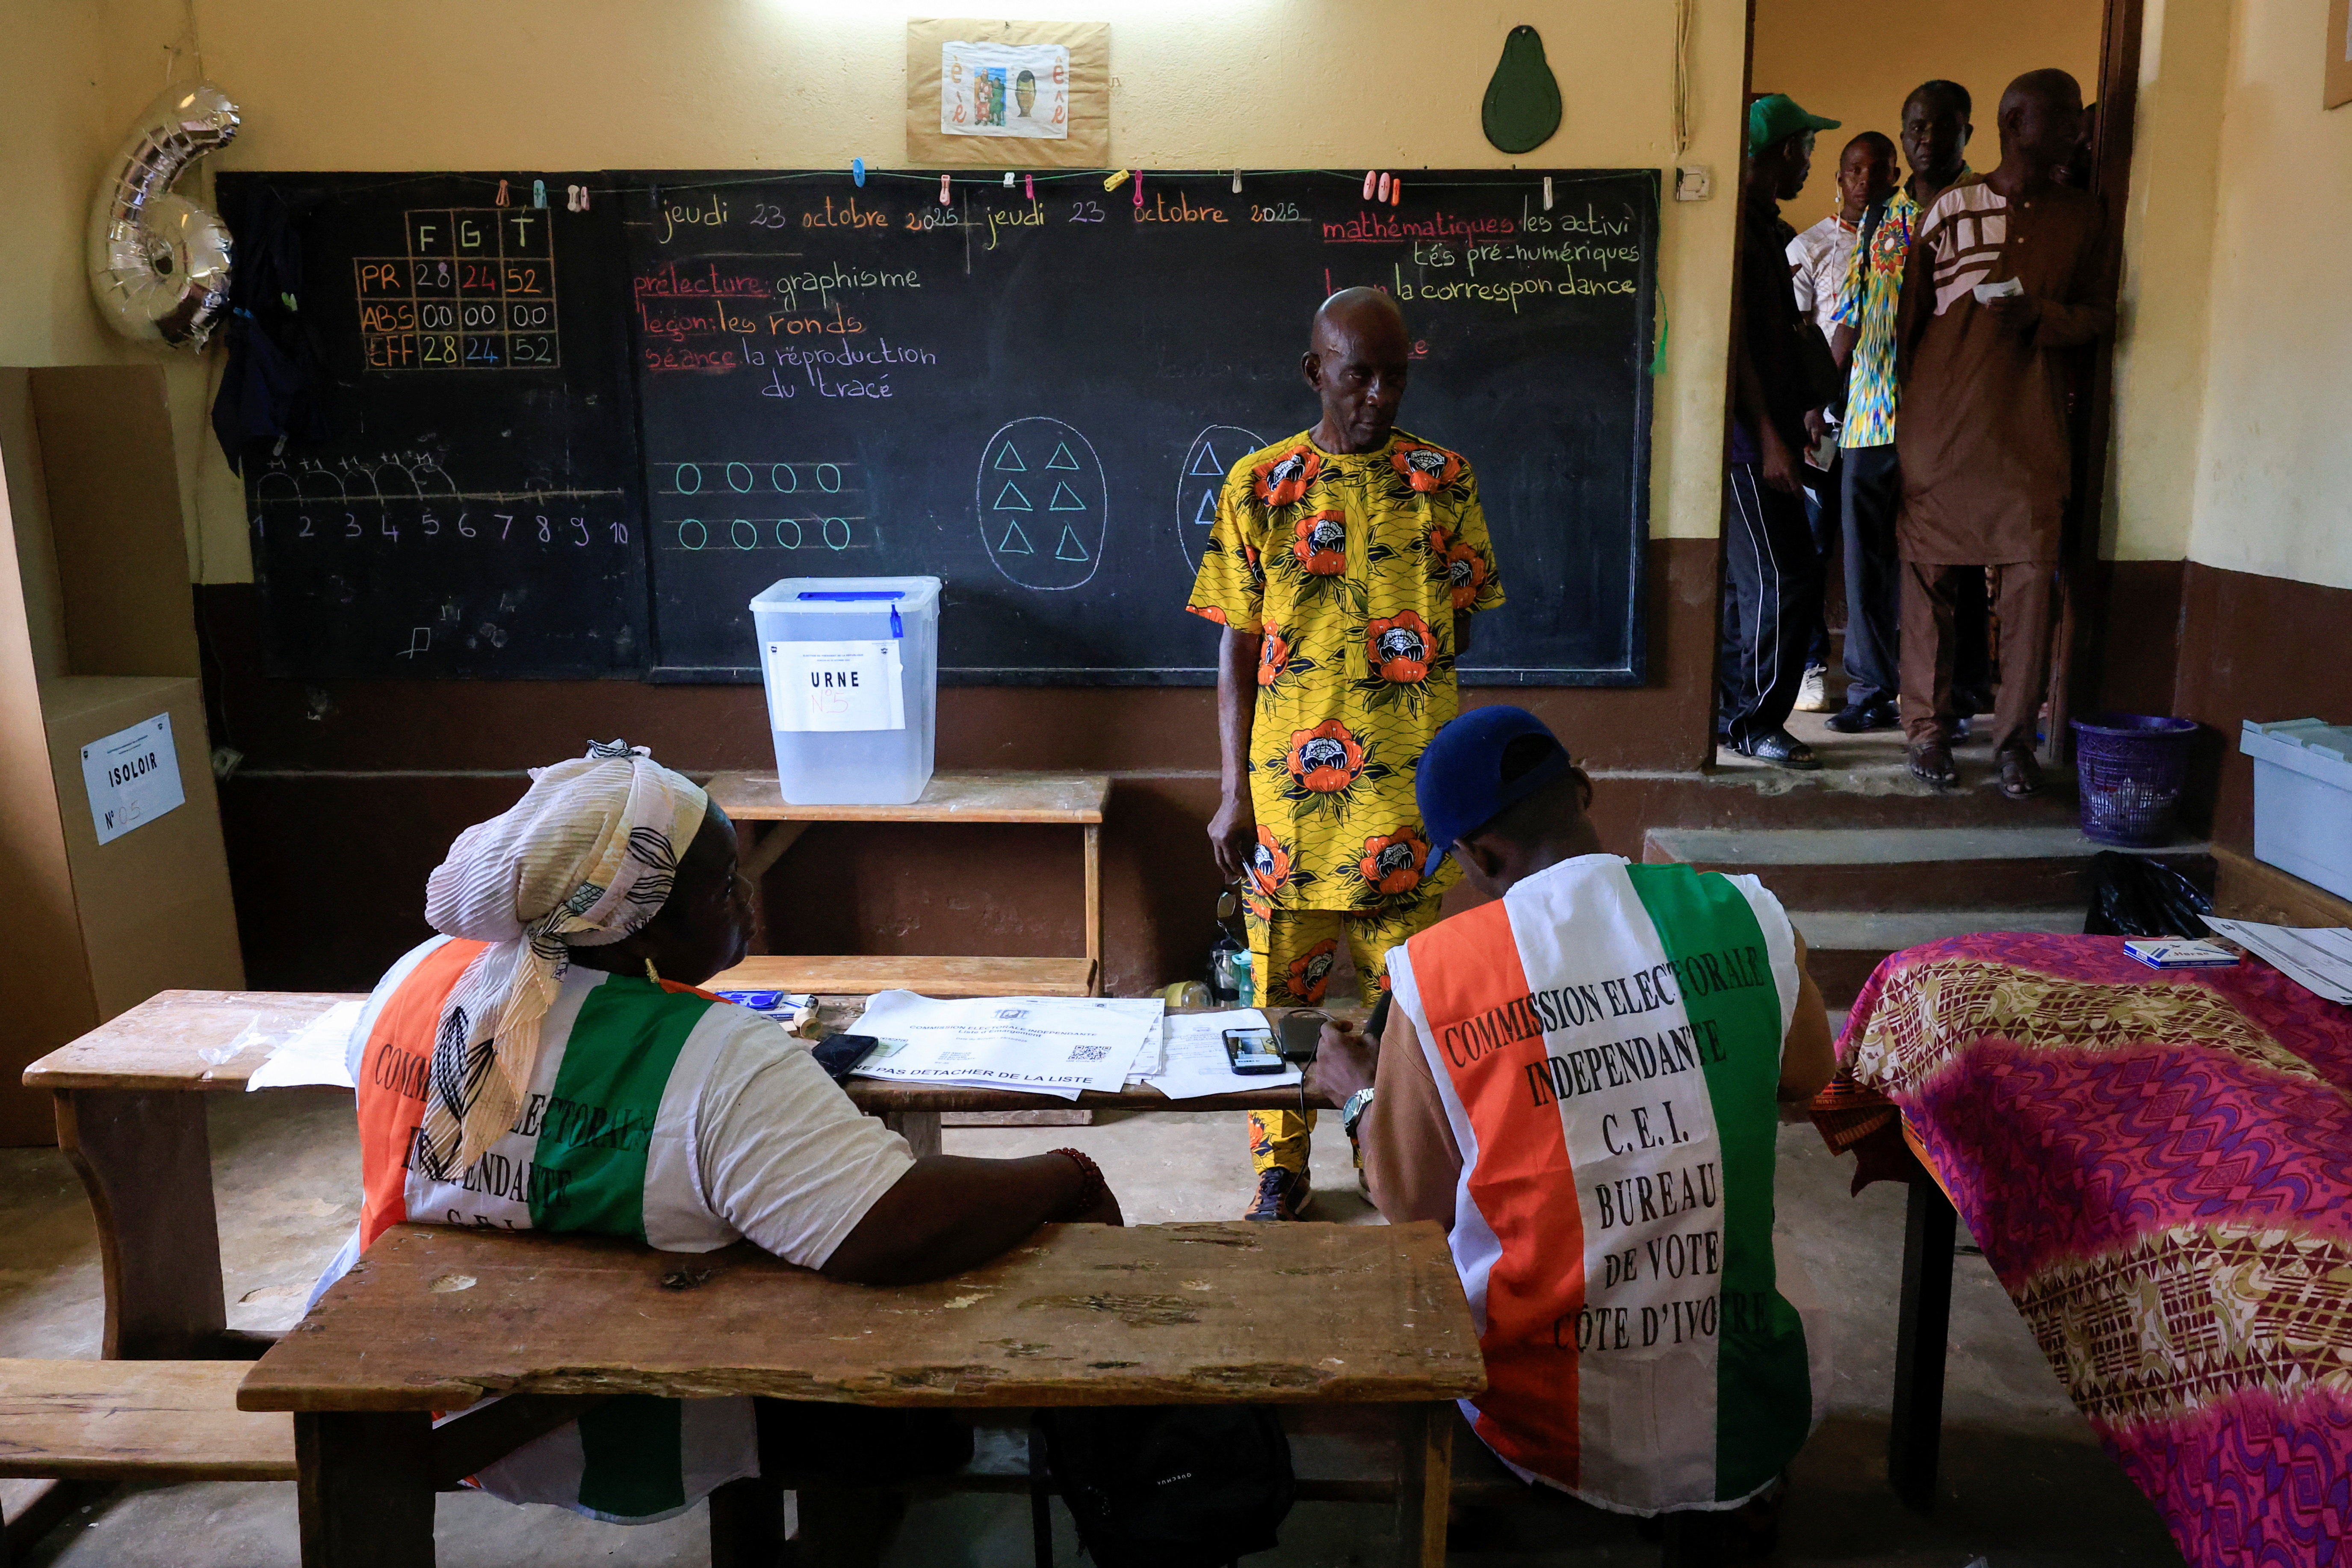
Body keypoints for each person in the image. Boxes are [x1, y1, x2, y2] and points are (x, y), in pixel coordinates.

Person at [313, 741, 1123, 1534]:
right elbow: (885, 1229)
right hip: (630, 1413)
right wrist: (1063, 1174)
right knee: (889, 1333)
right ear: (636, 920)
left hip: (418, 1386)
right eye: (721, 887)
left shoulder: (416, 976)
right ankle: (856, 1528)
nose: (747, 901)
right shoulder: (713, 1054)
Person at [1305, 706, 1835, 1537]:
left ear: (1477, 855)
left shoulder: (1439, 975)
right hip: (1751, 1417)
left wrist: (1361, 1095)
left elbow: (1411, 1206)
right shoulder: (1745, 913)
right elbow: (1809, 1075)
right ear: (1582, 791)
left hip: (1542, 1428)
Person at [1187, 287, 1504, 1222]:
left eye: (1395, 374)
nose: (1378, 393)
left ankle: (1388, 1150)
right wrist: (1230, 789)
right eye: (1358, 373)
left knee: (1405, 1013)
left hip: (1406, 810)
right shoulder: (1259, 485)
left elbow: (1458, 630)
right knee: (1277, 1008)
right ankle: (1279, 1167)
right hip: (1285, 809)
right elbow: (1236, 647)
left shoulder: (1444, 480)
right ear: (1313, 372)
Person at [1895, 70, 2113, 797]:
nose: (2080, 135)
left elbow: (2102, 316)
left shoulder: (2084, 218)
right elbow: (1908, 326)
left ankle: (2014, 743)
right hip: (1941, 432)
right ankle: (1927, 733)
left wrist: (2042, 319)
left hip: (2030, 438)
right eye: (2064, 124)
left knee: (2028, 587)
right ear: (2017, 124)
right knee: (1929, 585)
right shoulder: (1949, 210)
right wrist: (1907, 429)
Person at [1825, 81, 1989, 739]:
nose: (1926, 139)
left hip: (1950, 418)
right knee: (1866, 555)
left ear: (1967, 134)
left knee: (1956, 554)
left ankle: (1960, 689)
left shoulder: (1985, 205)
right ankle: (1870, 689)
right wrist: (1819, 393)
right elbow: (1853, 307)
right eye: (1915, 128)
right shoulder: (1883, 214)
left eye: (1941, 127)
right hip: (1871, 411)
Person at [1720, 93, 1839, 770]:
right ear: (1776, 152)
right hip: (1747, 446)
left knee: (1766, 581)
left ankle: (1739, 716)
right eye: (1805, 148)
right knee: (1781, 580)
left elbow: (1777, 339)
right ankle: (1754, 721)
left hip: (1772, 437)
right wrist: (1768, 439)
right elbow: (1738, 349)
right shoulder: (1735, 229)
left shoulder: (1768, 227)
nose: (1807, 162)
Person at [1785, 131, 1899, 717]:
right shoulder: (1810, 248)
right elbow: (1801, 335)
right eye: (1855, 168)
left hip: (1884, 419)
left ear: (1894, 175)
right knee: (1814, 540)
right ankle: (1809, 666)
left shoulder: (1903, 238)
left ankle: (1886, 671)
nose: (1865, 178)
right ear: (1838, 175)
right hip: (1823, 423)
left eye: (1878, 169)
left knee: (1877, 545)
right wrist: (1811, 405)